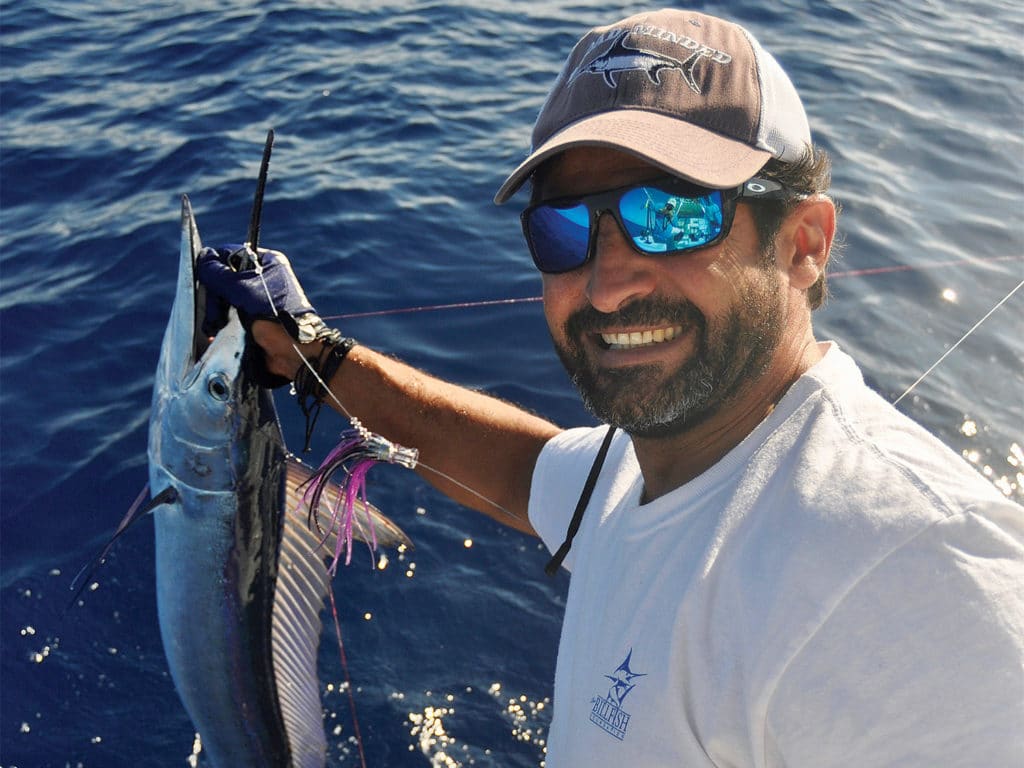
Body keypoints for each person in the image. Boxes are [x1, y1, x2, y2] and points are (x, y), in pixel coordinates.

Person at [198, 9, 1024, 767]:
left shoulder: (916, 576)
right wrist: (320, 353)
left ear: (803, 243)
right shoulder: (650, 467)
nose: (607, 285)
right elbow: (524, 472)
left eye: (673, 214)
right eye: (566, 227)